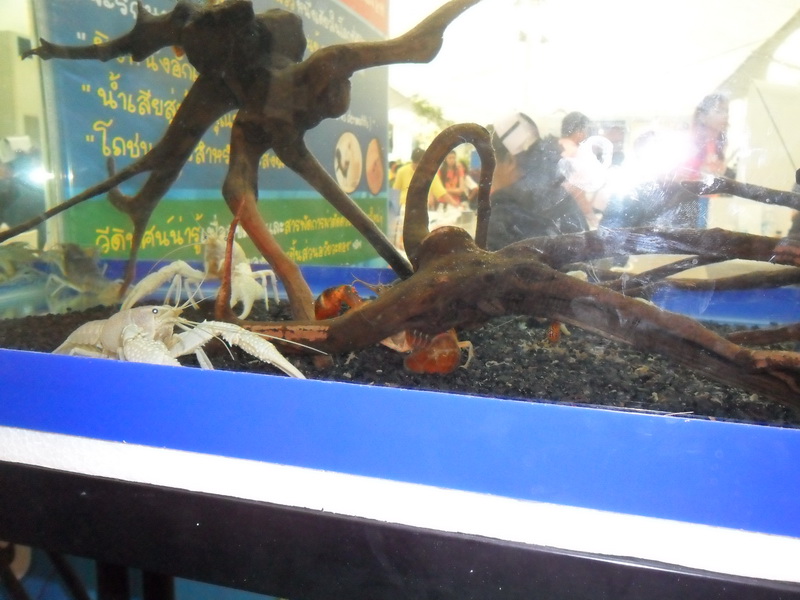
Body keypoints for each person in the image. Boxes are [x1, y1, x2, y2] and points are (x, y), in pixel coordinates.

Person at [486, 112, 588, 250]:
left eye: (491, 162)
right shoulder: (560, 197)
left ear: (510, 161)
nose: (487, 172)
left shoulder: (503, 215)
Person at [391, 147, 450, 249]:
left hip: (422, 209)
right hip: (404, 209)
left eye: (420, 164)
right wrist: (394, 212)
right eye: (415, 164)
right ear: (412, 161)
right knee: (402, 241)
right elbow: (395, 192)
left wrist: (456, 204)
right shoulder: (402, 171)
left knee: (420, 237)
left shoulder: (429, 173)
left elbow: (441, 192)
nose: (417, 167)